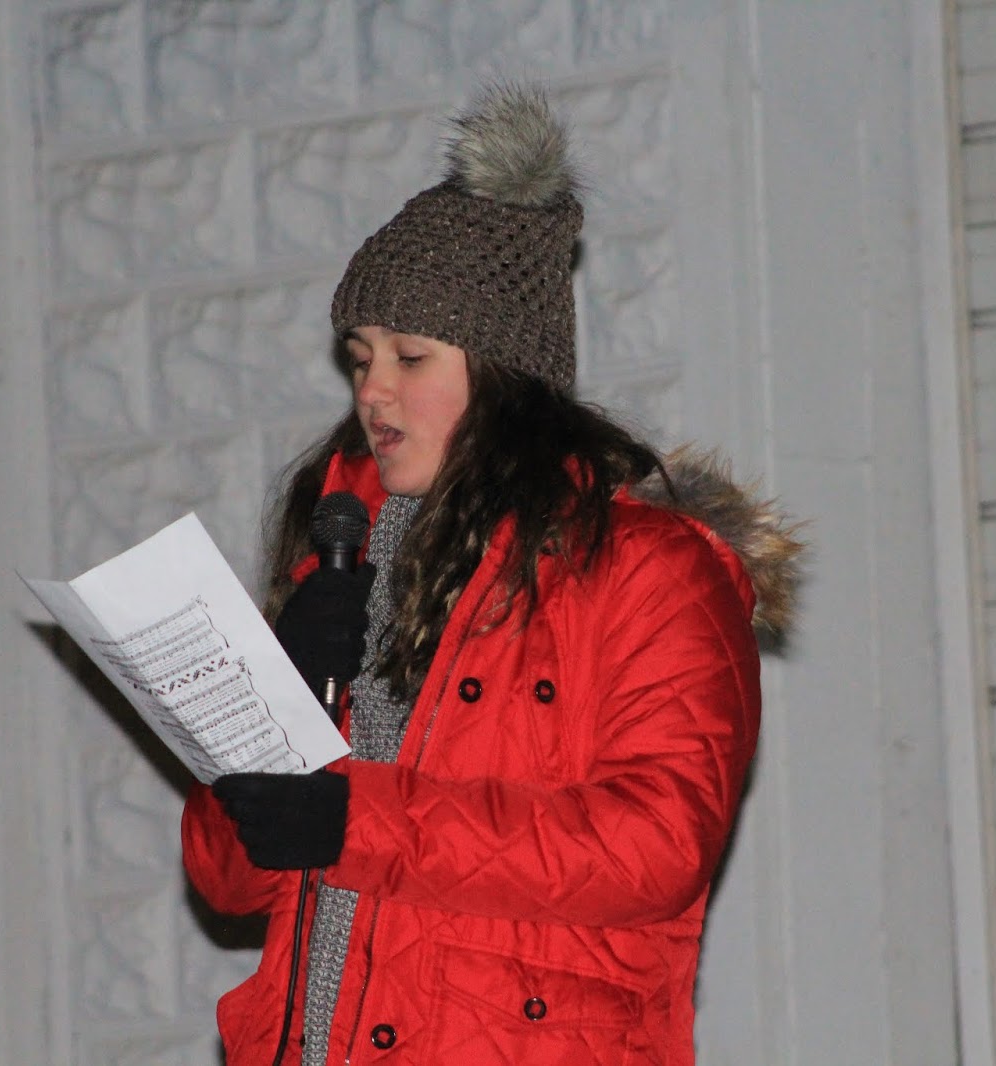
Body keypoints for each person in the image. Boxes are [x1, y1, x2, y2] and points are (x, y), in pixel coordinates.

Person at [180, 82, 801, 1066]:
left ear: (506, 372)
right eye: (359, 356)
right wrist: (277, 689)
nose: (371, 388)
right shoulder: (342, 558)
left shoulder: (654, 568)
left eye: (410, 356)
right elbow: (225, 877)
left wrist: (356, 819)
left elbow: (657, 845)